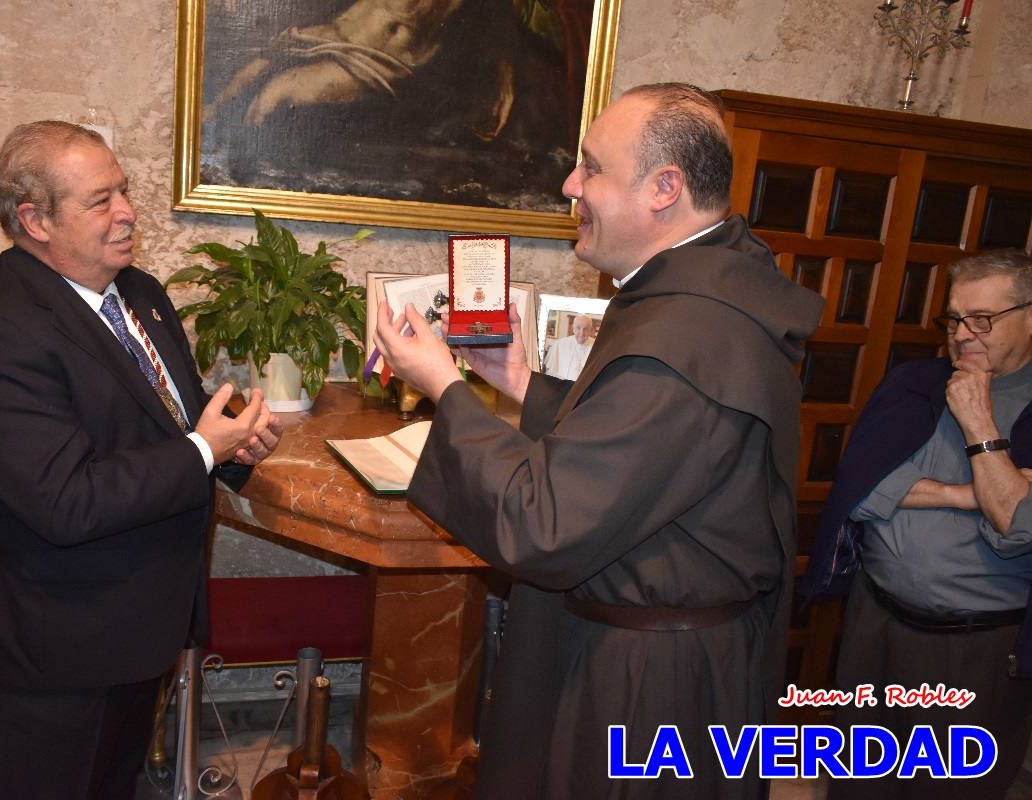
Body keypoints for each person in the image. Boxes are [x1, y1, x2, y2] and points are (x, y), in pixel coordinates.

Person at [374, 83, 822, 799]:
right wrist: (521, 380)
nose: (570, 184)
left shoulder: (688, 333)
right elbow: (637, 453)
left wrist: (444, 388)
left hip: (647, 686)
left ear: (663, 188)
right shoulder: (695, 292)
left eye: (591, 168)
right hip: (656, 645)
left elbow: (544, 522)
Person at [0, 120, 282, 799]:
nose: (127, 211)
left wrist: (231, 443)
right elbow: (66, 501)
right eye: (101, 200)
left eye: (123, 190)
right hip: (58, 649)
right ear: (35, 220)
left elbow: (166, 414)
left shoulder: (141, 294)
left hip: (140, 627)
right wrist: (202, 449)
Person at [803, 249, 1032, 799]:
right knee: (856, 782)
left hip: (975, 649)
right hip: (874, 622)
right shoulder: (914, 383)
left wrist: (979, 421)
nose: (962, 334)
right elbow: (860, 487)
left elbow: (1019, 527)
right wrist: (969, 495)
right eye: (954, 319)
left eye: (982, 319)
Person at [542, 313, 595, 380]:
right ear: (573, 328)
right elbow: (551, 373)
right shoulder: (559, 344)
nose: (581, 333)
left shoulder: (597, 347)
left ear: (590, 330)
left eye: (585, 329)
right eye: (578, 328)